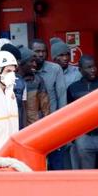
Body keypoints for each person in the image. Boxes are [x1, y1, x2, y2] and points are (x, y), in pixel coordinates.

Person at [31, 39, 68, 169]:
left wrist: (60, 123)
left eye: (43, 51)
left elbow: (61, 98)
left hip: (52, 125)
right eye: (37, 51)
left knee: (56, 164)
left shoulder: (55, 69)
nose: (41, 54)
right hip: (32, 127)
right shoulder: (26, 69)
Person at [15, 47, 50, 129]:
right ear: (21, 63)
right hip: (17, 128)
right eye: (31, 61)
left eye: (35, 61)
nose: (35, 64)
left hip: (35, 128)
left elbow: (46, 108)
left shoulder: (37, 81)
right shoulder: (12, 81)